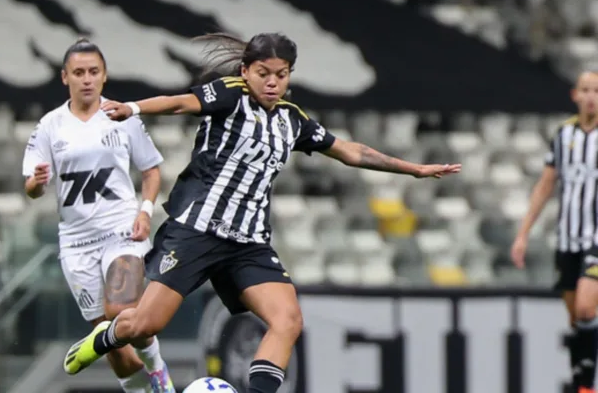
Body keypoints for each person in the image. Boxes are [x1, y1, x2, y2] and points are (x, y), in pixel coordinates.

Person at [62, 32, 462, 393]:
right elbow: (181, 102)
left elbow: (351, 151)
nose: (272, 82)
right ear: (245, 71)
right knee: (143, 326)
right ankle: (104, 338)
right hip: (196, 231)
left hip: (248, 244)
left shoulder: (292, 120)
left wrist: (414, 169)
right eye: (263, 73)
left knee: (288, 320)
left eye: (281, 75)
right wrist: (133, 108)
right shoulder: (229, 95)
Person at [23, 38, 175, 393]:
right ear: (65, 77)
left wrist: (145, 212)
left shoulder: (121, 117)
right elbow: (31, 188)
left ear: (104, 75)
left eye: (93, 71)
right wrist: (37, 182)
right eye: (79, 72)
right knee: (111, 344)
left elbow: (151, 170)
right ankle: (141, 390)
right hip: (76, 243)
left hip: (121, 232)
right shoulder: (49, 126)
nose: (87, 79)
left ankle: (158, 371)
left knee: (121, 310)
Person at [512, 70, 598, 393]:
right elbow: (546, 184)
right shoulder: (564, 134)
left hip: (596, 238)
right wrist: (523, 233)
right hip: (567, 238)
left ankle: (586, 388)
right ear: (575, 95)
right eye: (585, 90)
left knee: (586, 307)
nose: (591, 97)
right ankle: (581, 383)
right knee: (576, 319)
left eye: (597, 91)